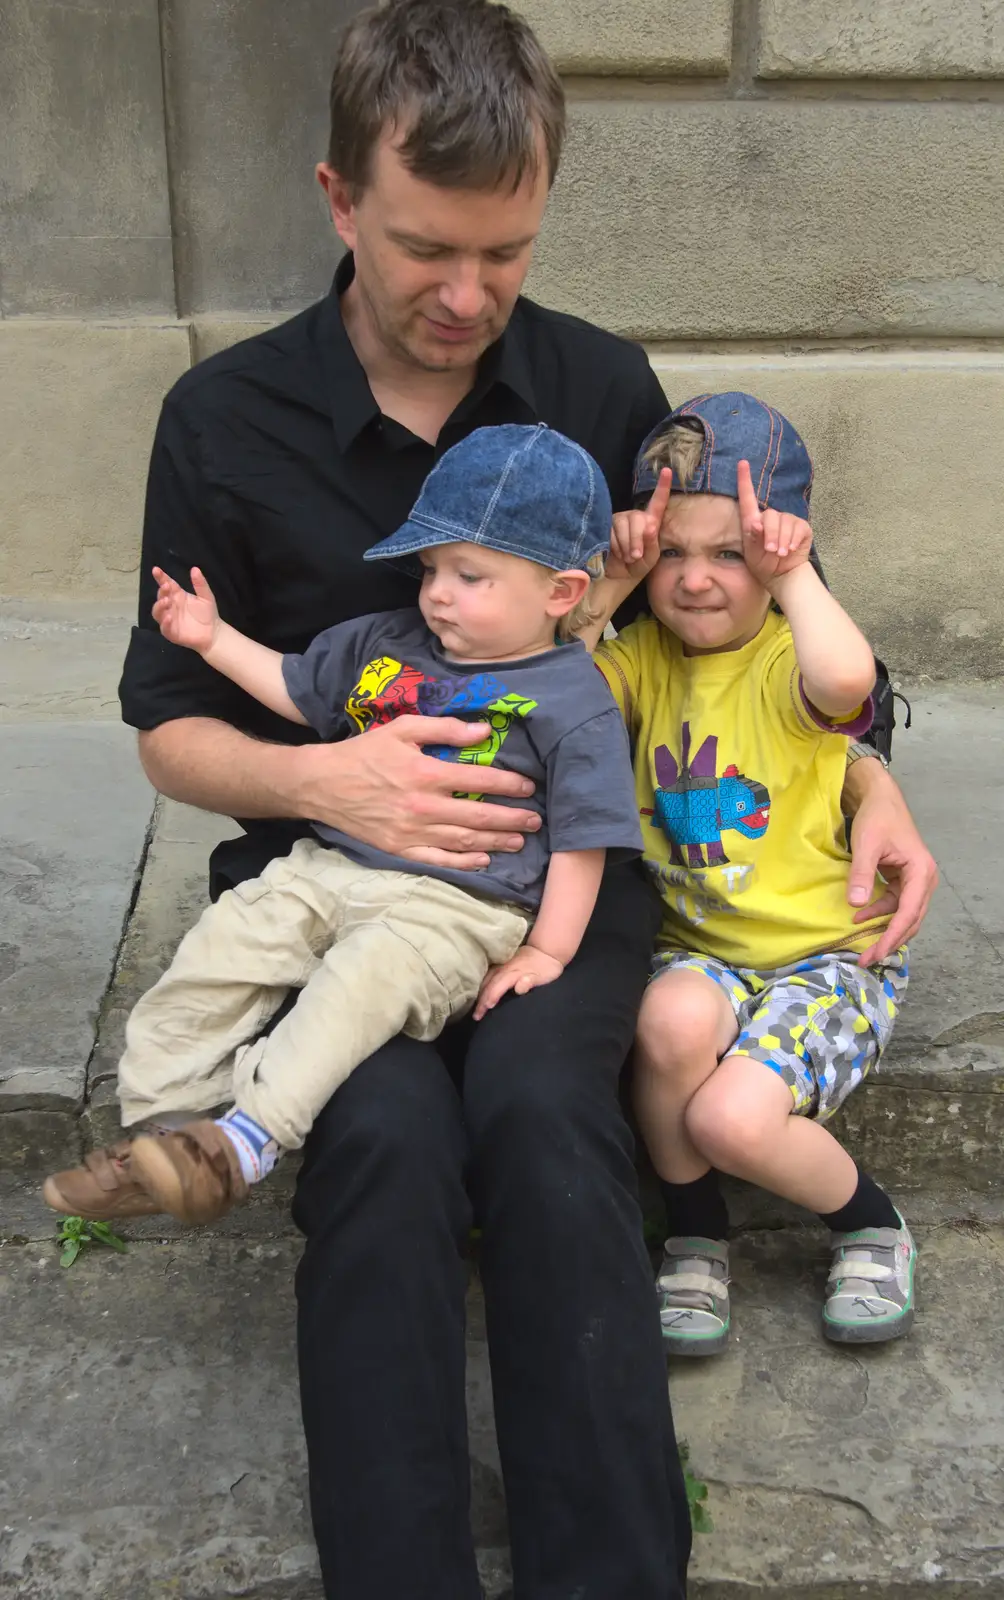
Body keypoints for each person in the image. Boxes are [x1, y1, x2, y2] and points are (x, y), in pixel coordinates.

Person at [52, 2, 937, 1594]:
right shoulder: (223, 423)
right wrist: (328, 776)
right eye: (423, 251)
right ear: (338, 199)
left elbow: (734, 626)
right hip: (327, 889)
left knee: (543, 1121)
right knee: (381, 1139)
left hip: (565, 892)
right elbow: (168, 731)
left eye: (506, 253)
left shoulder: (601, 389)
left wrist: (873, 775)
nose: (466, 296)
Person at [43, 424, 644, 1224]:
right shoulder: (387, 641)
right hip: (330, 864)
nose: (437, 593)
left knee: (357, 987)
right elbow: (297, 689)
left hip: (460, 907)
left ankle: (249, 1139)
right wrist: (212, 638)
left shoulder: (574, 699)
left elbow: (585, 835)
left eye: (471, 575)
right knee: (225, 943)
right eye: (431, 568)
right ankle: (164, 1132)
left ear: (561, 593)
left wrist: (547, 947)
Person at [578, 392, 916, 1356]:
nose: (693, 581)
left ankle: (871, 1225)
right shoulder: (639, 659)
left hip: (829, 957)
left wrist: (795, 577)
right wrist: (608, 588)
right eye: (671, 552)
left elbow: (849, 682)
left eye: (730, 554)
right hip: (707, 954)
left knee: (730, 1119)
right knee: (666, 1023)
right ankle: (696, 1238)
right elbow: (547, 693)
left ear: (780, 554)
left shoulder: (785, 660)